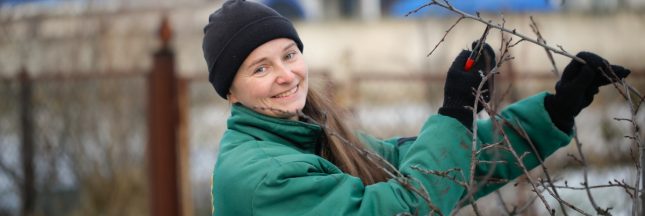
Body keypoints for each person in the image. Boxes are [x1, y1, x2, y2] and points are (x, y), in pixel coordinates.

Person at [201, 0, 631, 215]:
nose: (286, 74)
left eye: (290, 54)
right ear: (232, 93)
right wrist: (455, 112)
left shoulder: (311, 137)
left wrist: (554, 111)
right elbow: (408, 204)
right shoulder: (263, 178)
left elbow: (439, 171)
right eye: (261, 68)